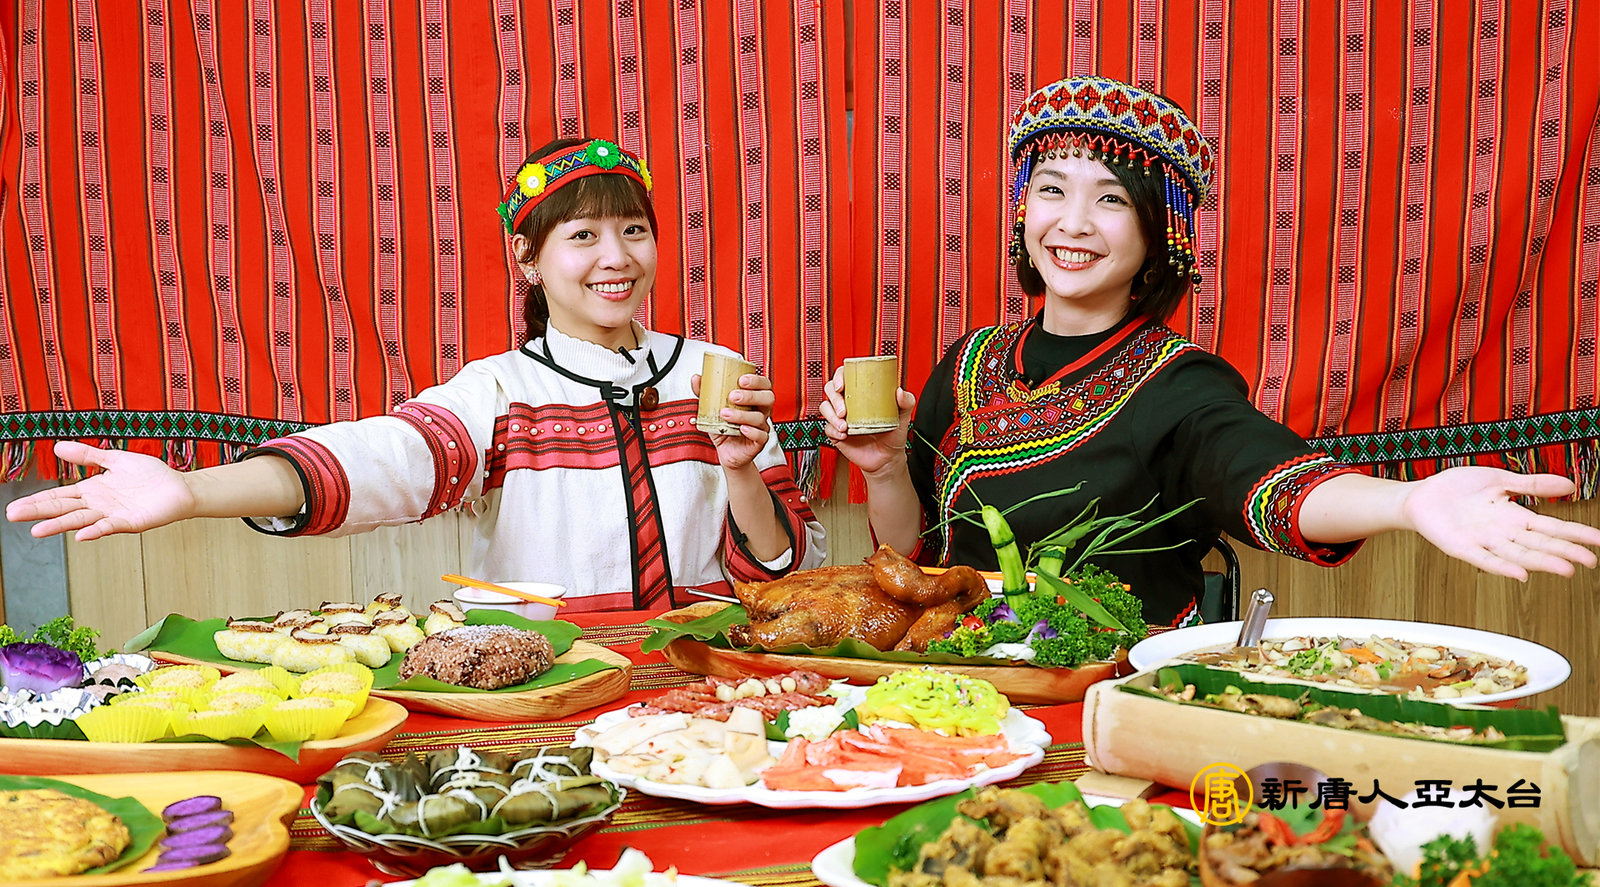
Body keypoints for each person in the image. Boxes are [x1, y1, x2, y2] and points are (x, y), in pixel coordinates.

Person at [819, 75, 1600, 628]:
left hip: (1114, 698)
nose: (1073, 222)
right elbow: (912, 554)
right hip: (949, 687)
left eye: (1111, 199)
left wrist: (1405, 504)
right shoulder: (970, 361)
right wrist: (885, 470)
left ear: (1160, 231)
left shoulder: (1179, 385)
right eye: (1052, 189)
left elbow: (1274, 481)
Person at [8, 136, 826, 611]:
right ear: (528, 258)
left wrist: (739, 470)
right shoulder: (500, 392)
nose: (616, 258)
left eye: (634, 230)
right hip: (546, 701)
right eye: (582, 236)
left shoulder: (714, 374)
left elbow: (787, 574)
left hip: (703, 698)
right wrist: (192, 492)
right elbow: (383, 460)